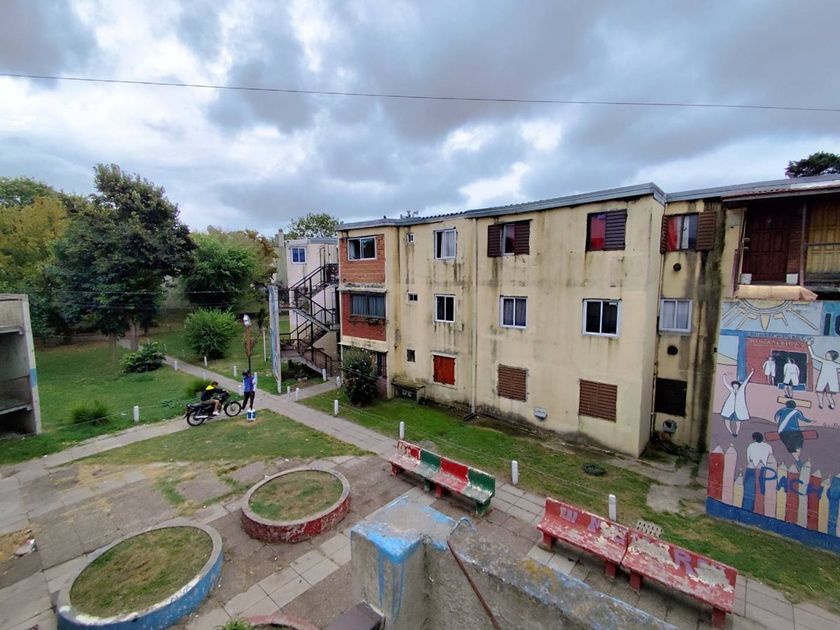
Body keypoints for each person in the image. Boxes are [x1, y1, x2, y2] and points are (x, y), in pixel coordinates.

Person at [774, 400, 812, 469]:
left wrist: (780, 424)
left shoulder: (781, 411)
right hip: (795, 431)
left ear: (786, 405)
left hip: (783, 432)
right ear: (794, 406)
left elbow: (776, 418)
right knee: (798, 445)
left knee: (791, 447)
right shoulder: (797, 412)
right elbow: (803, 419)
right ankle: (798, 460)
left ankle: (797, 460)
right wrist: (811, 421)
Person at [807, 339, 840, 410]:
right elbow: (813, 356)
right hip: (823, 380)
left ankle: (830, 405)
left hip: (829, 381)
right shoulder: (826, 362)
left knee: (828, 395)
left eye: (827, 355)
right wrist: (809, 346)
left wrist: (809, 346)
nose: (825, 356)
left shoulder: (833, 364)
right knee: (820, 393)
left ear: (831, 357)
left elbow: (813, 356)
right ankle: (822, 404)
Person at [720, 370, 753, 437]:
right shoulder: (732, 390)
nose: (735, 386)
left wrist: (751, 373)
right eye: (734, 385)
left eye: (736, 385)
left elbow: (746, 381)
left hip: (738, 409)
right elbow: (725, 384)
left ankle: (737, 433)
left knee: (738, 422)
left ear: (738, 385)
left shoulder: (741, 390)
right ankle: (731, 432)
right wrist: (724, 376)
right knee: (727, 421)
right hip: (729, 408)